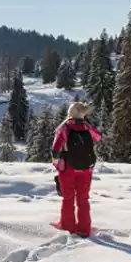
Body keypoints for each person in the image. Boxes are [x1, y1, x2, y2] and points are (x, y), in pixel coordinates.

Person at [51, 102, 102, 238]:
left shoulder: (64, 127)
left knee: (68, 198)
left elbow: (55, 150)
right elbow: (98, 137)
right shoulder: (86, 127)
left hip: (68, 169)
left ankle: (67, 226)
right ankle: (84, 229)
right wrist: (87, 124)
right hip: (86, 169)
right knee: (83, 199)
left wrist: (58, 166)